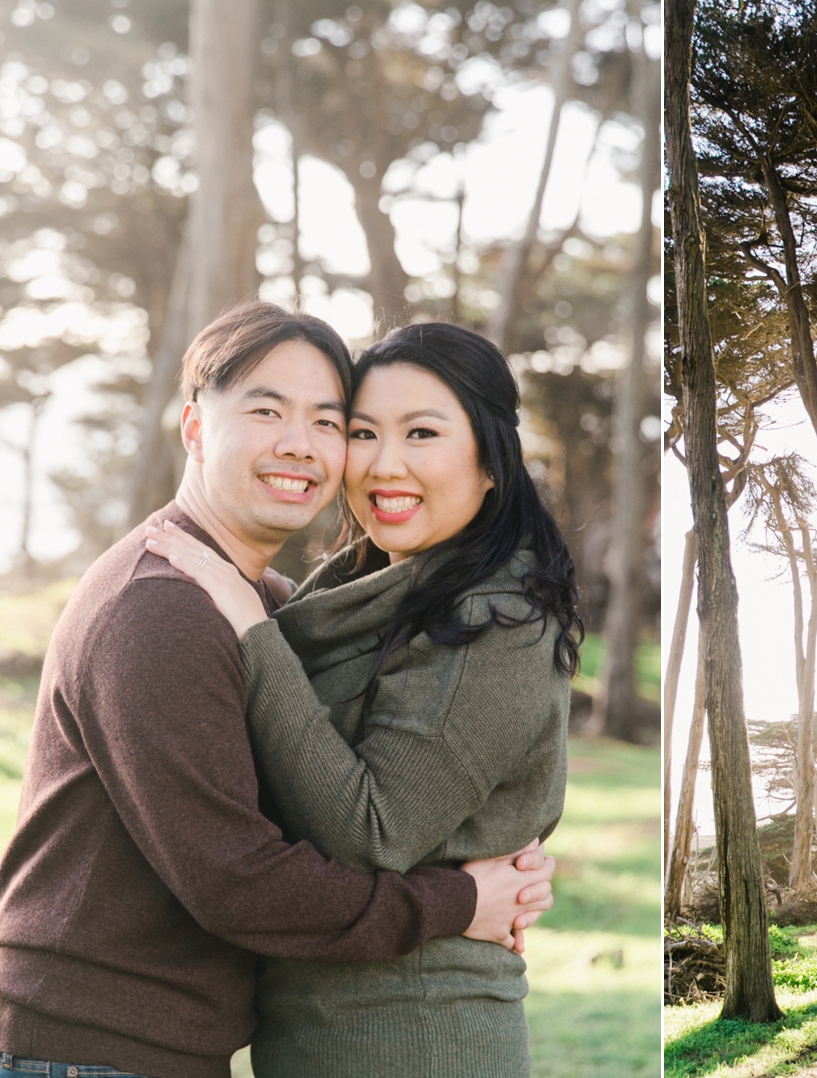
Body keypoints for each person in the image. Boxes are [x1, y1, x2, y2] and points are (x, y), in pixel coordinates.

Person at [0, 304, 555, 1078]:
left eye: (328, 422)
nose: (300, 446)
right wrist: (461, 902)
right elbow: (240, 882)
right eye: (267, 411)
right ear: (196, 427)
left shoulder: (261, 602)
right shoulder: (164, 608)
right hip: (82, 1051)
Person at [146, 321, 579, 1077]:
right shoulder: (359, 592)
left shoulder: (496, 619)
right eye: (363, 432)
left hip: (415, 1032)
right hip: (316, 1027)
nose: (384, 465)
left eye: (421, 433)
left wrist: (251, 631)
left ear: (490, 462)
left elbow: (372, 832)